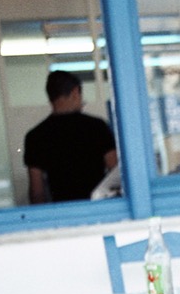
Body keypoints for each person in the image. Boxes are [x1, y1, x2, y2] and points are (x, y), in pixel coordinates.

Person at [23, 70, 118, 203]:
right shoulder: (97, 127)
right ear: (75, 92)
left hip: (63, 213)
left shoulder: (35, 136)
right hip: (98, 209)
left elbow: (37, 191)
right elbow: (115, 172)